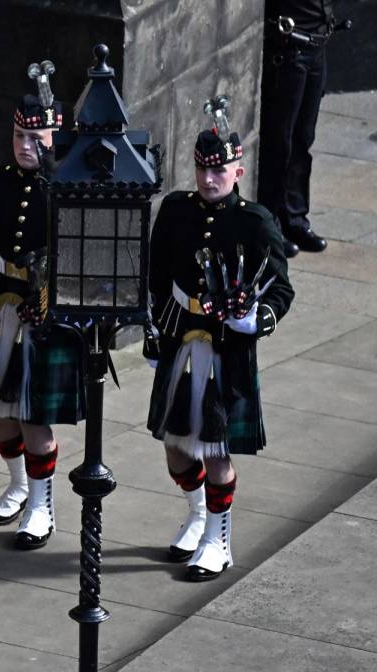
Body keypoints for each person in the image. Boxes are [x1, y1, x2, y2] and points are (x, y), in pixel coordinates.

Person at [146, 108, 295, 582]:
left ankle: (218, 539)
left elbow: (281, 289)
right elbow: (157, 275)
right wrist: (154, 331)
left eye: (219, 170)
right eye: (202, 168)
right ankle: (197, 515)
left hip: (226, 348)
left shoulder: (255, 222)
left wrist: (256, 318)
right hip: (179, 336)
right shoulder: (175, 209)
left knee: (215, 451)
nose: (209, 178)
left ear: (238, 170)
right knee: (175, 448)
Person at [0, 85, 85, 550]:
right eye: (19, 135)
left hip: (45, 313)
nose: (25, 145)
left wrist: (56, 295)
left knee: (34, 416)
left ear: (57, 136)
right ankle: (18, 485)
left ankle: (42, 506)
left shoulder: (67, 189)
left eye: (36, 138)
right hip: (1, 302)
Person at [258, 0, 338, 258]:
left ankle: (295, 220)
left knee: (303, 139)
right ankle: (270, 226)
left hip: (316, 43)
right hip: (289, 48)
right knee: (279, 143)